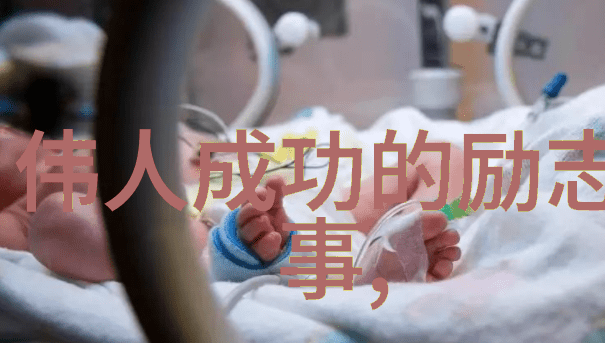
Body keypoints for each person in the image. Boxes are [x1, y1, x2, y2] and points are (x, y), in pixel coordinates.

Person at [0, 123, 465, 285]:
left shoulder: (107, 127)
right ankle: (236, 254)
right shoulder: (27, 213)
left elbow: (228, 145)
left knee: (442, 155)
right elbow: (64, 232)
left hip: (298, 194)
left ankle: (398, 237)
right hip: (220, 221)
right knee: (59, 221)